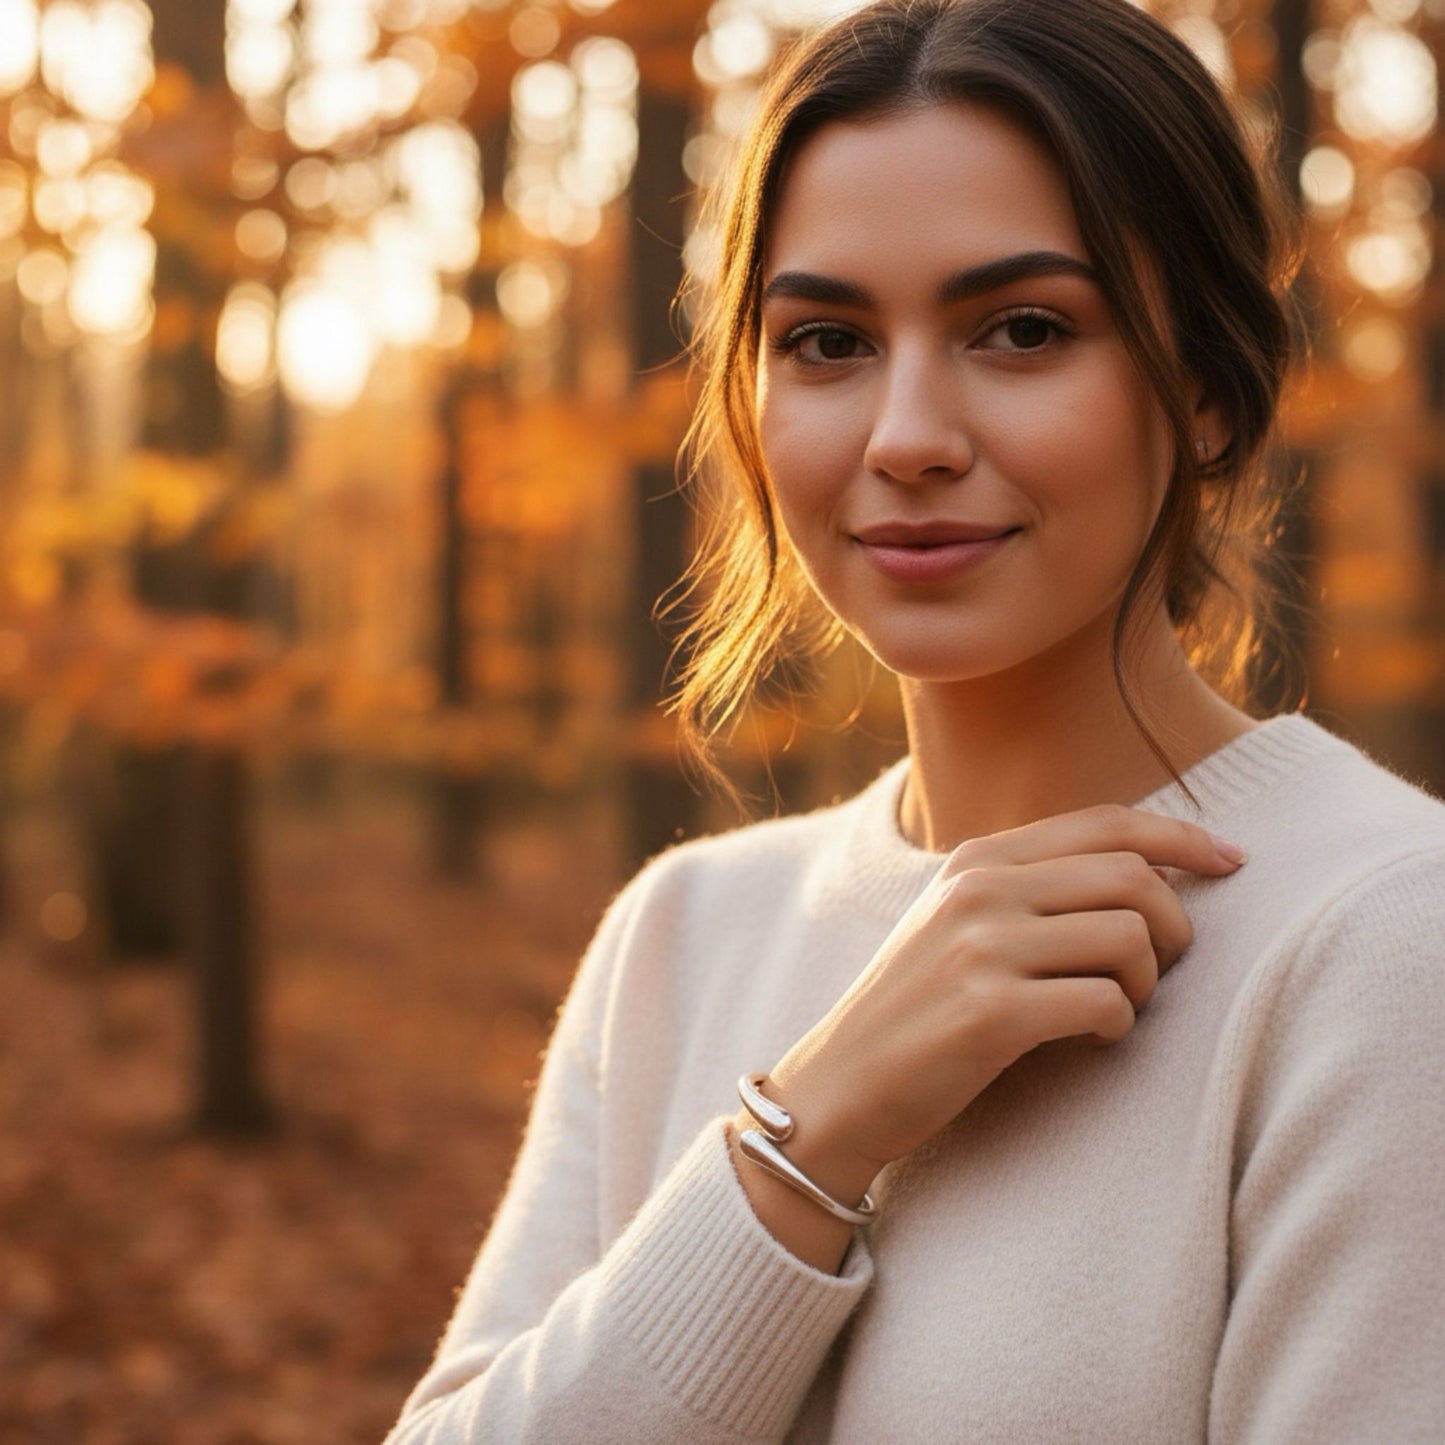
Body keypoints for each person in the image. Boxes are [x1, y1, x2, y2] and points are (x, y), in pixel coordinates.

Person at [386, 1, 1445, 1440]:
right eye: (826, 341)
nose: (905, 438)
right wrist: (812, 1130)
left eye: (1022, 330)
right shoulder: (684, 932)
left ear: (1205, 390)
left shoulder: (1385, 942)